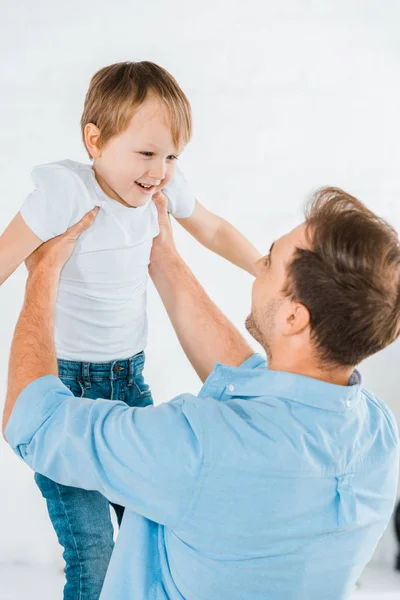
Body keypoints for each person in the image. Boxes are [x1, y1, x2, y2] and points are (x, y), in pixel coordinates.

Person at [3, 186, 400, 600]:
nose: (258, 265)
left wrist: (43, 273)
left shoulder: (200, 447)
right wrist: (164, 257)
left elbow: (31, 419)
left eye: (269, 262)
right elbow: (247, 378)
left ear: (293, 317)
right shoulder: (376, 434)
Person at [0, 61, 260, 598]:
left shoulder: (163, 190)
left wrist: (262, 266)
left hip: (129, 384)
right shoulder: (66, 193)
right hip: (63, 391)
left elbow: (210, 226)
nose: (159, 170)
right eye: (145, 153)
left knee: (151, 526)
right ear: (94, 141)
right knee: (92, 545)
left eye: (170, 156)